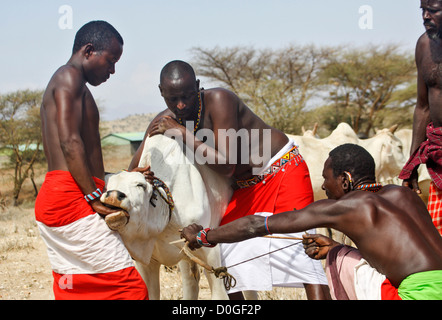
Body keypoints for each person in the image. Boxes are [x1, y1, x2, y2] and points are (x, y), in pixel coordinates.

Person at [129, 60, 329, 300]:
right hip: (245, 188)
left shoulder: (220, 100)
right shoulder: (164, 121)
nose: (181, 105)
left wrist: (181, 132)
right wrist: (142, 174)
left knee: (302, 246)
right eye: (173, 99)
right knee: (225, 248)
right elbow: (134, 169)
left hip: (282, 169)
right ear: (161, 93)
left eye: (187, 96)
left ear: (198, 87)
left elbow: (227, 165)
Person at [181, 144, 442, 300]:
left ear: (345, 179)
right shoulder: (404, 195)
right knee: (339, 252)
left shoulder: (349, 206)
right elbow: (397, 253)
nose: (323, 186)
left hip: (414, 294)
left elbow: (256, 225)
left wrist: (205, 237)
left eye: (326, 178)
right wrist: (336, 248)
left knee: (340, 260)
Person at [35, 20, 150, 300]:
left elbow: (81, 154)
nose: (112, 70)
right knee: (130, 290)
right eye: (110, 60)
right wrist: (94, 196)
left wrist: (122, 176)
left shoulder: (74, 83)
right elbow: (70, 142)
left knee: (77, 288)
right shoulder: (68, 77)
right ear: (88, 51)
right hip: (69, 200)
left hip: (65, 197)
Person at [399, 0, 442, 236]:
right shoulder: (424, 45)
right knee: (437, 237)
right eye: (422, 10)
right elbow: (423, 107)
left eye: (433, 10)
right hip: (438, 153)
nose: (425, 16)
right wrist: (411, 164)